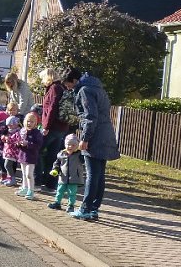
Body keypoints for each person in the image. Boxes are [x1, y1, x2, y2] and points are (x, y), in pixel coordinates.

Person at [62, 67, 120, 221]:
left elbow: (90, 117)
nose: (68, 88)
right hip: (105, 133)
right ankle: (94, 208)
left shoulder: (84, 91)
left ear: (74, 81)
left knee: (92, 174)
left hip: (94, 136)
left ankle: (86, 208)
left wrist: (85, 138)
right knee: (99, 174)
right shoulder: (97, 87)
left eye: (68, 85)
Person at [38, 68, 70, 191]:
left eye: (42, 78)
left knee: (37, 151)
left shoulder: (54, 88)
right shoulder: (62, 87)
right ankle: (51, 184)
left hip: (53, 127)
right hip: (62, 127)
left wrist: (46, 126)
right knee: (52, 156)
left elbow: (51, 109)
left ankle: (37, 180)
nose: (42, 81)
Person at [47, 134, 87, 212]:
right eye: (68, 144)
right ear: (65, 145)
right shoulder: (62, 153)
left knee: (72, 193)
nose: (70, 147)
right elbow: (57, 163)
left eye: (73, 145)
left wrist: (83, 151)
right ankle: (57, 203)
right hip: (63, 177)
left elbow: (84, 161)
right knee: (59, 191)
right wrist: (55, 170)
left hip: (74, 178)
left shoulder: (79, 154)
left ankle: (71, 205)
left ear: (77, 146)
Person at [15, 112, 43, 200]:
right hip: (22, 155)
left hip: (31, 156)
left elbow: (38, 145)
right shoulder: (22, 131)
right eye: (28, 121)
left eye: (32, 122)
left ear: (35, 123)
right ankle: (25, 188)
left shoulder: (37, 133)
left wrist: (28, 144)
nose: (29, 123)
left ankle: (31, 190)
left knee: (29, 174)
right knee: (23, 174)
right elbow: (17, 141)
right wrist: (18, 144)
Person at [1, 115, 22, 187]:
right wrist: (3, 138)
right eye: (8, 125)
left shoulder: (18, 132)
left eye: (11, 125)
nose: (9, 126)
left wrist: (8, 139)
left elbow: (16, 140)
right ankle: (9, 177)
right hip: (7, 150)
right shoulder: (8, 131)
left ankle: (12, 179)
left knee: (7, 165)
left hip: (13, 151)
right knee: (7, 165)